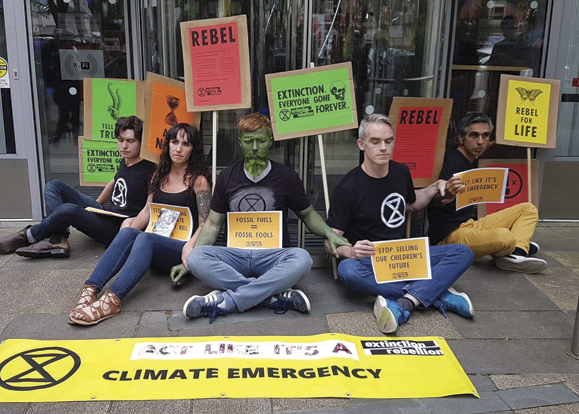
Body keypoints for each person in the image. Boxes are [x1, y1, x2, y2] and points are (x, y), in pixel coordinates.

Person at [171, 113, 349, 323]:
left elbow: (308, 214)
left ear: (270, 142)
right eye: (248, 141)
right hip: (235, 256)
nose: (254, 147)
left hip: (272, 256)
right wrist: (188, 264)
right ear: (240, 143)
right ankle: (271, 296)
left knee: (303, 259)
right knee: (195, 257)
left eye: (261, 141)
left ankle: (226, 300)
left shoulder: (286, 177)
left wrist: (330, 233)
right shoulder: (227, 176)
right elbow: (212, 225)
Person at [326, 114, 475, 334]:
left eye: (389, 141)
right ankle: (435, 294)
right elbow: (329, 242)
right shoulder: (348, 188)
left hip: (404, 256)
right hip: (370, 261)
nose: (383, 147)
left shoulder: (400, 172)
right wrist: (349, 250)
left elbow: (410, 205)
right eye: (375, 141)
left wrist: (435, 187)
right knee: (348, 271)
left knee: (463, 253)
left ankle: (408, 301)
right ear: (362, 144)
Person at [68, 123, 211, 326]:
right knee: (129, 232)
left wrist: (189, 249)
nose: (178, 148)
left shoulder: (199, 181)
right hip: (153, 242)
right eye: (174, 142)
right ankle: (90, 289)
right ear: (167, 145)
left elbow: (205, 225)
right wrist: (125, 239)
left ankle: (113, 299)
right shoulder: (158, 175)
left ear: (193, 149)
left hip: (179, 248)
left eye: (185, 144)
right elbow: (146, 212)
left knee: (145, 237)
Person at [0, 116, 156, 258]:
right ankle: (58, 238)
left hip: (117, 228)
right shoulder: (126, 160)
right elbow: (115, 181)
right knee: (54, 186)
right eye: (121, 140)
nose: (124, 146)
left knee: (67, 210)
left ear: (141, 143)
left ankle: (27, 236)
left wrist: (126, 235)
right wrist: (96, 205)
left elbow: (150, 208)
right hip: (106, 213)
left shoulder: (150, 171)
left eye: (130, 141)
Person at [428, 112, 546, 273]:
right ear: (461, 138)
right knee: (505, 236)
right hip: (450, 235)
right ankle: (512, 246)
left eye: (485, 136)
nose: (480, 142)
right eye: (474, 135)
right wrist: (446, 195)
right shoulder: (451, 160)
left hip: (471, 225)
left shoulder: (472, 160)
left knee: (528, 209)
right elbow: (434, 199)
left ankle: (516, 253)